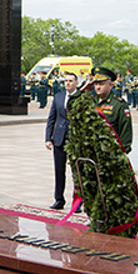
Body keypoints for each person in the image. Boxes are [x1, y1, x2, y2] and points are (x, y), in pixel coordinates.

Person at [77, 67, 133, 153]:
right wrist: (82, 90)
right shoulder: (91, 101)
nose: (98, 87)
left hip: (110, 153)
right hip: (91, 152)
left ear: (110, 85)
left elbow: (126, 132)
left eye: (101, 84)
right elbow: (70, 106)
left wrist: (120, 154)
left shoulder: (119, 104)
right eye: (96, 84)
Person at [45, 73, 79, 210]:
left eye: (71, 81)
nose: (68, 83)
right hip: (59, 139)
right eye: (66, 81)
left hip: (75, 140)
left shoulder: (81, 98)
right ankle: (59, 199)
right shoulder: (58, 97)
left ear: (76, 83)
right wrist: (48, 138)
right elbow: (51, 118)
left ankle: (77, 202)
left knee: (77, 172)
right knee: (59, 171)